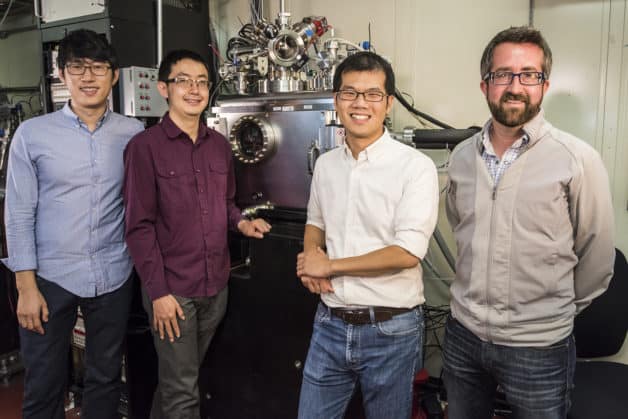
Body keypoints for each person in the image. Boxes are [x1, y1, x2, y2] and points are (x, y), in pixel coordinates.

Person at [443, 26, 615, 419]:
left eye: (529, 75)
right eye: (503, 74)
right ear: (485, 84)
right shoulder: (463, 157)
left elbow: (597, 257)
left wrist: (549, 313)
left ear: (545, 84)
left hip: (538, 348)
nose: (515, 85)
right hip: (463, 336)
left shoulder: (576, 159)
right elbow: (460, 227)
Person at [3, 29, 144, 419]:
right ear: (62, 75)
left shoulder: (132, 133)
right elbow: (17, 214)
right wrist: (25, 286)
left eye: (98, 67)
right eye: (77, 67)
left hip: (114, 272)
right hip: (50, 277)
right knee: (45, 381)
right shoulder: (32, 134)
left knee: (106, 378)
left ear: (114, 76)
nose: (88, 77)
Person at [123, 49, 270, 418]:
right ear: (163, 88)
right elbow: (138, 227)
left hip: (215, 287)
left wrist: (240, 222)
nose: (194, 89)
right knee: (183, 392)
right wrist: (157, 294)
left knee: (179, 382)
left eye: (202, 82)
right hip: (173, 292)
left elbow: (225, 203)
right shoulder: (144, 148)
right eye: (183, 81)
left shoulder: (219, 146)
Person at [295, 51, 439, 419]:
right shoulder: (326, 164)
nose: (361, 103)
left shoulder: (415, 167)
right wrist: (311, 260)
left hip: (391, 329)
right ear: (336, 100)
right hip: (330, 323)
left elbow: (408, 251)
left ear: (388, 103)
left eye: (372, 94)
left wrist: (329, 266)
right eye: (350, 93)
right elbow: (316, 221)